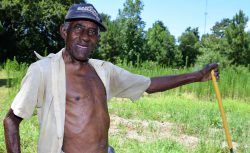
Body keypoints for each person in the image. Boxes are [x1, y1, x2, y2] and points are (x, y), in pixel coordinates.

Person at [3, 3, 219, 153]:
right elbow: (11, 121)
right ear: (64, 31)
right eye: (78, 28)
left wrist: (197, 75)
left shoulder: (104, 71)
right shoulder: (43, 71)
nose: (86, 36)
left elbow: (149, 84)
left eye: (92, 31)